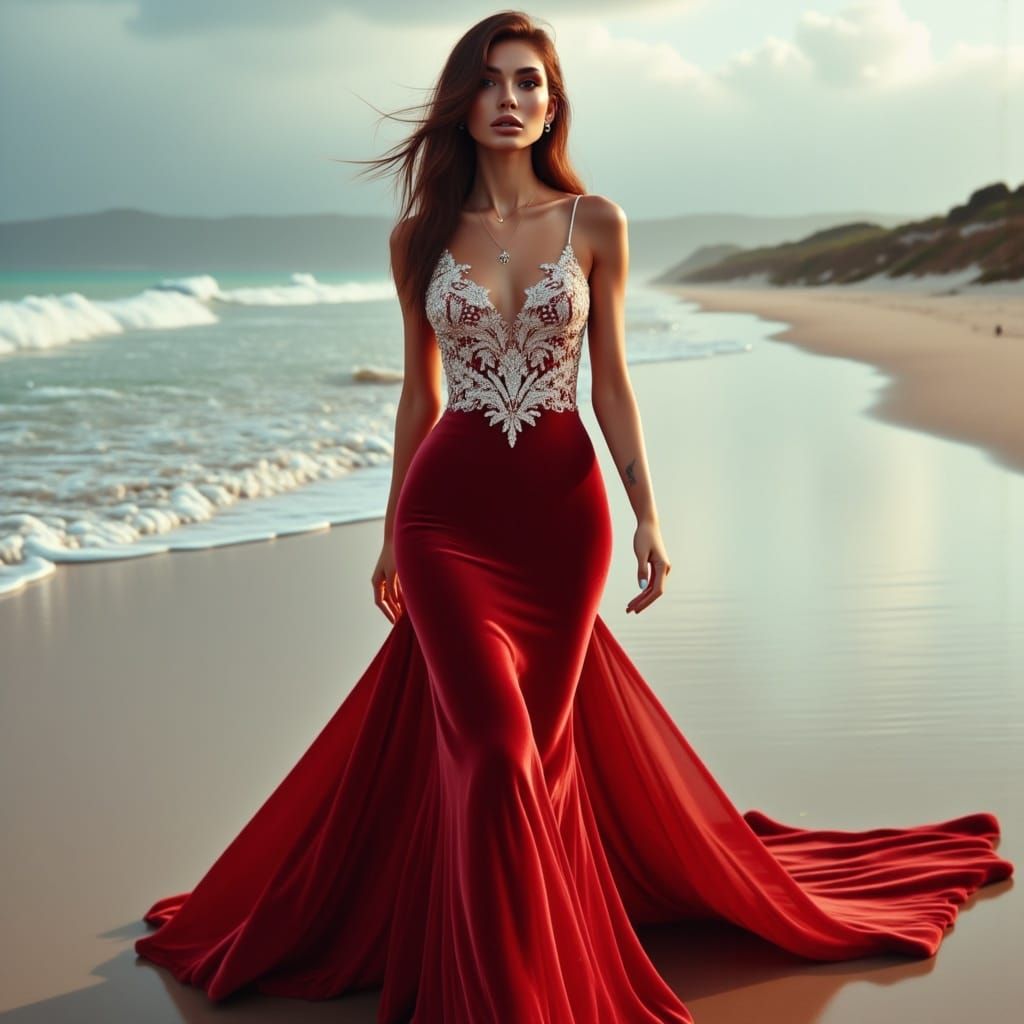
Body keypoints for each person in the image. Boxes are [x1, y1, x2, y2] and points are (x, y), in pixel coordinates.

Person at [134, 12, 1014, 1023]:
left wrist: (648, 514)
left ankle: (508, 943)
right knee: (499, 752)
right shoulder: (415, 238)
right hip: (445, 522)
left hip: (562, 521)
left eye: (531, 84)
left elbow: (610, 384)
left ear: (552, 105)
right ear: (461, 100)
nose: (510, 101)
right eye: (492, 82)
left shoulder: (596, 222)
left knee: (531, 760)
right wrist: (387, 529)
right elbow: (419, 398)